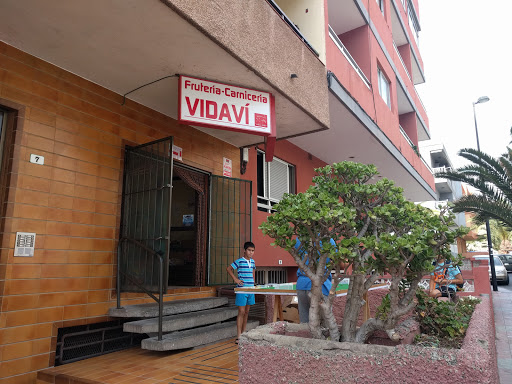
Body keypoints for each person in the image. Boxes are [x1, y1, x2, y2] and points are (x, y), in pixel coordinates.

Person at [295, 238, 333, 323]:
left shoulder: (299, 238)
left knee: (304, 324)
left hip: (302, 285)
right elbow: (338, 261)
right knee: (325, 325)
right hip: (321, 286)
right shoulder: (327, 238)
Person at [227, 241, 256, 343]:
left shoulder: (253, 262)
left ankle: (244, 334)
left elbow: (253, 273)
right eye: (249, 250)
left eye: (252, 251)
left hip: (251, 289)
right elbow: (229, 268)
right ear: (244, 250)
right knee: (241, 312)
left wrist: (253, 284)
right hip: (242, 290)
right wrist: (235, 279)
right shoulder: (239, 261)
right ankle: (239, 336)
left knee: (247, 312)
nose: (251, 252)